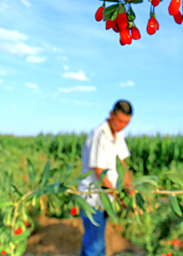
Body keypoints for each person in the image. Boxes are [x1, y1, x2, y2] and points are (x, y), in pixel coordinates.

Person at [77, 100, 133, 256]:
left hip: (106, 199)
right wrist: (116, 194)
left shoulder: (119, 135)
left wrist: (130, 188)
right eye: (120, 121)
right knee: (96, 247)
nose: (122, 126)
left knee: (93, 243)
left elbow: (123, 163)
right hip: (93, 199)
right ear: (111, 115)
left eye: (126, 123)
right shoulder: (98, 135)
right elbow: (98, 171)